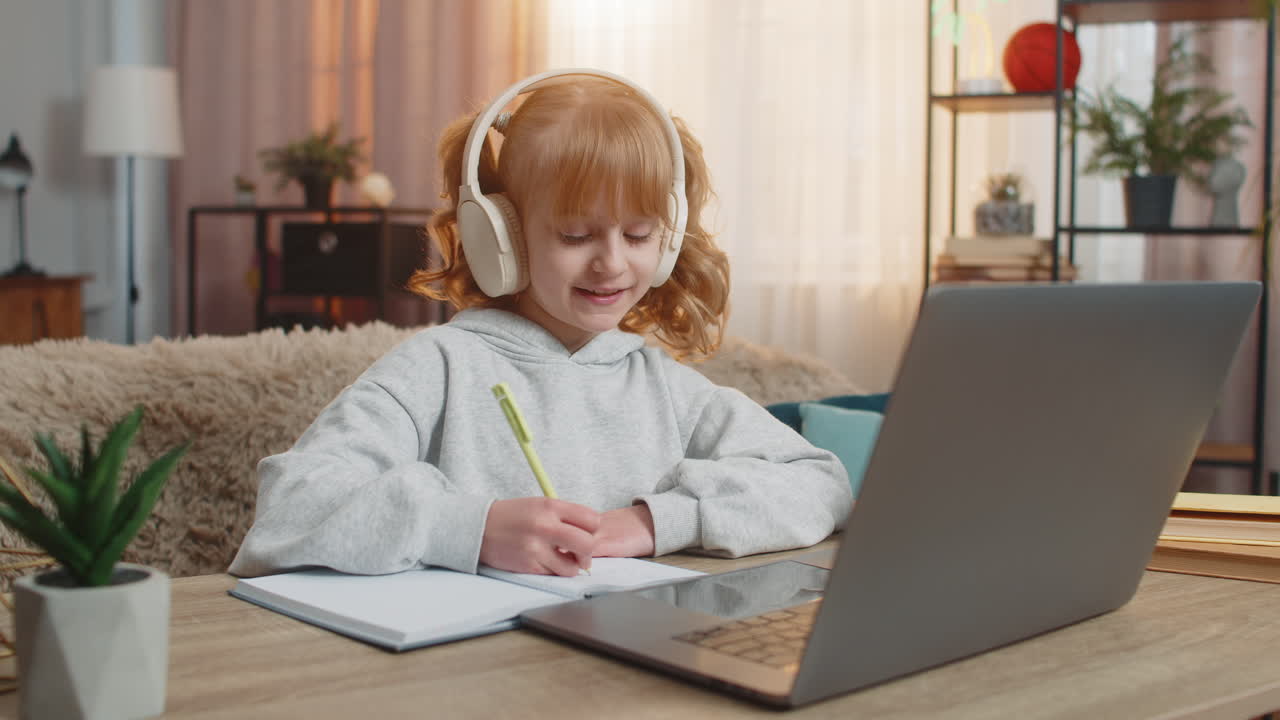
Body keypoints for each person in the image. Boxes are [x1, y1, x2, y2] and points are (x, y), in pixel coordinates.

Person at [229, 69, 851, 579]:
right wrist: (468, 528)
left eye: (637, 234)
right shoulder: (437, 369)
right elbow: (291, 506)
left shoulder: (663, 386)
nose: (611, 261)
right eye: (576, 235)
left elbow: (819, 483)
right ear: (500, 235)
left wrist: (654, 522)